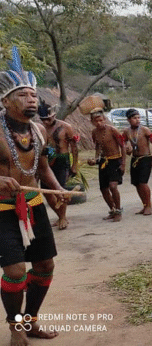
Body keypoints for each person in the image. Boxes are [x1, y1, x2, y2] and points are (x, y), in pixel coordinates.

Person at [0, 52, 62, 343]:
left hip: (33, 204)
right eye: (23, 94)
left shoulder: (39, 131)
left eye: (33, 94)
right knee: (14, 270)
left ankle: (30, 320)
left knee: (45, 266)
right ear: (5, 101)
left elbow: (44, 168)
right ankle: (15, 327)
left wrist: (58, 190)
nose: (32, 99)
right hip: (2, 209)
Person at [38, 101, 78, 229]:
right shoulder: (39, 129)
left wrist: (74, 165)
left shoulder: (66, 127)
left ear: (54, 115)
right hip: (47, 162)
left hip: (62, 160)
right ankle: (61, 216)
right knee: (47, 192)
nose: (46, 122)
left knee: (59, 190)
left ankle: (62, 217)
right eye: (43, 119)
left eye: (48, 119)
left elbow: (74, 147)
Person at [86, 98, 125, 221]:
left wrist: (123, 163)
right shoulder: (94, 132)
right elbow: (98, 146)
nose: (99, 123)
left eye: (101, 120)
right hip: (103, 162)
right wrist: (95, 159)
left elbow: (122, 146)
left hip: (115, 160)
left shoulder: (112, 130)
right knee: (103, 189)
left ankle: (118, 211)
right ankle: (112, 210)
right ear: (92, 122)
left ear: (104, 119)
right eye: (96, 121)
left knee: (113, 186)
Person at [122, 109, 152, 215]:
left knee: (143, 183)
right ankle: (144, 205)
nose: (137, 120)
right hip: (135, 159)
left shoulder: (144, 130)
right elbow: (123, 143)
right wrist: (127, 147)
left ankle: (149, 206)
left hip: (145, 158)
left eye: (138, 117)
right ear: (129, 120)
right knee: (137, 184)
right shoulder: (126, 131)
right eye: (134, 118)